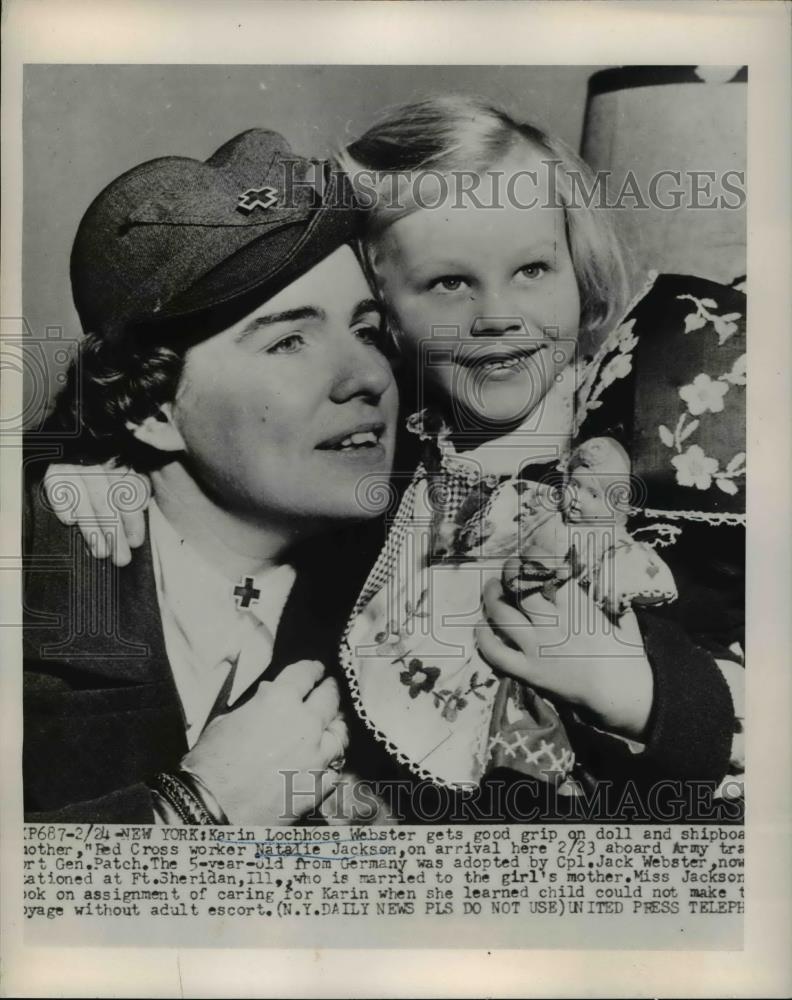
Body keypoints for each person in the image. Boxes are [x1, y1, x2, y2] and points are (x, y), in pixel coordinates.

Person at [45, 98, 742, 820]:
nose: (498, 313)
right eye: (448, 283)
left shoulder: (657, 436)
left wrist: (646, 698)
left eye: (534, 268)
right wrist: (89, 459)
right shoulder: (389, 476)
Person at [23, 128, 400, 824]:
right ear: (151, 410)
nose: (370, 376)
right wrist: (193, 811)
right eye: (289, 341)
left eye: (369, 330)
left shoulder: (420, 572)